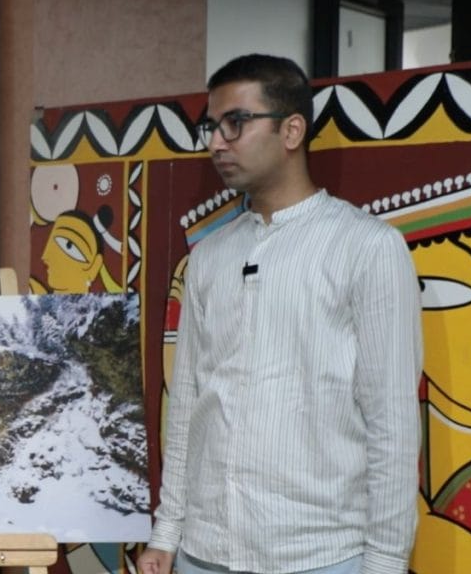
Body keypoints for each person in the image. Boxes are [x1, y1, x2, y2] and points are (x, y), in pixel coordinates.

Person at [137, 54, 423, 574]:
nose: (217, 142)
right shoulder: (208, 258)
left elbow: (393, 423)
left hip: (320, 555)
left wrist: (385, 562)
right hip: (205, 552)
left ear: (292, 130)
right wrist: (167, 532)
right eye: (211, 126)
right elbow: (188, 409)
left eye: (236, 123)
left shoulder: (368, 248)